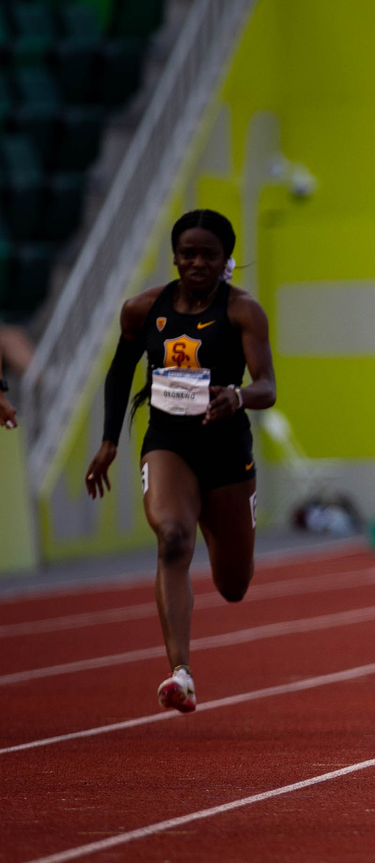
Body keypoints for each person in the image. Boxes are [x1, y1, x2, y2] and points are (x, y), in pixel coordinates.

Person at [83, 209, 275, 713]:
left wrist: (238, 395)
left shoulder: (243, 311)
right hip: (169, 442)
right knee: (171, 538)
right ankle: (181, 673)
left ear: (225, 259)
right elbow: (120, 372)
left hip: (227, 451)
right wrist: (108, 441)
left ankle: (218, 524)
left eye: (208, 255)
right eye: (187, 253)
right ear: (174, 255)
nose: (196, 263)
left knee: (233, 585)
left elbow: (268, 387)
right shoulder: (143, 309)